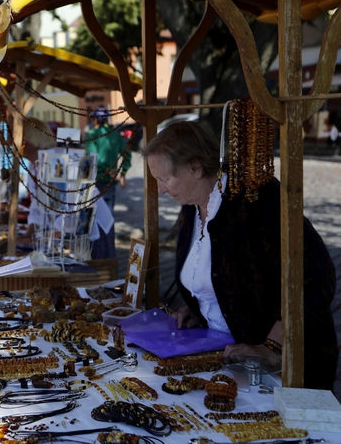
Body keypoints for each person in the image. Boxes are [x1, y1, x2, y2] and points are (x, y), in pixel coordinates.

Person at [140, 121, 337, 390]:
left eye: (164, 179)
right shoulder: (192, 205)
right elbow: (219, 280)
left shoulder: (257, 198)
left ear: (195, 168)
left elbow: (315, 277)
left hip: (283, 371)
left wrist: (272, 347)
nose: (161, 189)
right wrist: (201, 308)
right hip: (227, 358)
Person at [20, 118, 116, 259]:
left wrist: (53, 235)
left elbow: (73, 209)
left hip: (92, 228)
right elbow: (37, 208)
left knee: (96, 269)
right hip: (68, 231)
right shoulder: (34, 165)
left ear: (25, 141)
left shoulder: (57, 160)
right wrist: (27, 237)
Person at [85, 107, 131, 213]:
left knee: (94, 216)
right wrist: (123, 174)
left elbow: (93, 157)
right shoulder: (115, 133)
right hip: (110, 180)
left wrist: (106, 169)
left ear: (95, 120)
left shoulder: (92, 134)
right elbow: (127, 154)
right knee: (108, 215)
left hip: (95, 180)